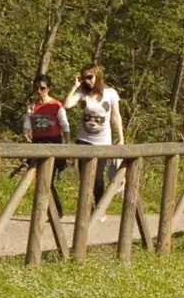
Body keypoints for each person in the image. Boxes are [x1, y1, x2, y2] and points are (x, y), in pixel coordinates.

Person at [65, 64, 125, 203]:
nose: (87, 80)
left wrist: (121, 138)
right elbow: (67, 105)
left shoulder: (110, 93)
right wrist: (75, 86)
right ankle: (87, 209)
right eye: (84, 77)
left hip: (102, 141)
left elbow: (116, 116)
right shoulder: (82, 92)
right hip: (83, 139)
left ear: (98, 76)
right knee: (84, 177)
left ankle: (99, 206)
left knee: (97, 178)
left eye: (90, 77)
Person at [22, 73, 72, 224]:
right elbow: (26, 126)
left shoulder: (56, 106)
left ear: (48, 89)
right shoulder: (32, 108)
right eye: (37, 88)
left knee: (47, 179)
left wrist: (67, 146)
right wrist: (26, 136)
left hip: (54, 144)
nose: (39, 91)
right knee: (39, 179)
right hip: (37, 144)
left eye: (42, 88)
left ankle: (54, 210)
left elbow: (65, 126)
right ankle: (49, 210)